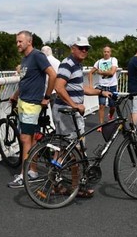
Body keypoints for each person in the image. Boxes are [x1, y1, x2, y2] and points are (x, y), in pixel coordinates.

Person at [52, 37, 113, 197]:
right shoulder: (68, 64)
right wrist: (74, 105)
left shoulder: (76, 65)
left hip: (70, 112)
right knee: (74, 150)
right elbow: (58, 87)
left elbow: (81, 88)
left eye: (86, 48)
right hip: (67, 112)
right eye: (81, 48)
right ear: (73, 48)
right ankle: (74, 186)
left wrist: (101, 92)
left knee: (67, 149)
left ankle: (58, 182)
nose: (84, 51)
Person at [7, 31, 56, 188]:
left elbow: (53, 75)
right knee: (32, 139)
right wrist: (15, 95)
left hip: (31, 104)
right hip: (23, 102)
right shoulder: (26, 59)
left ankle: (24, 175)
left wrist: (47, 97)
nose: (17, 44)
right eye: (16, 42)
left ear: (29, 41)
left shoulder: (37, 56)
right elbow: (25, 81)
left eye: (20, 41)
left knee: (25, 139)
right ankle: (32, 172)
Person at [91, 45, 119, 124]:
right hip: (102, 87)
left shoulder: (113, 60)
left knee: (112, 106)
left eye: (108, 52)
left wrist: (100, 72)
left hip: (112, 86)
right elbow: (90, 73)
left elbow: (112, 72)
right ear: (103, 52)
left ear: (110, 53)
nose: (106, 53)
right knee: (101, 106)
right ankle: (101, 124)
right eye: (105, 52)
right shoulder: (99, 62)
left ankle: (110, 115)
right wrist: (90, 85)